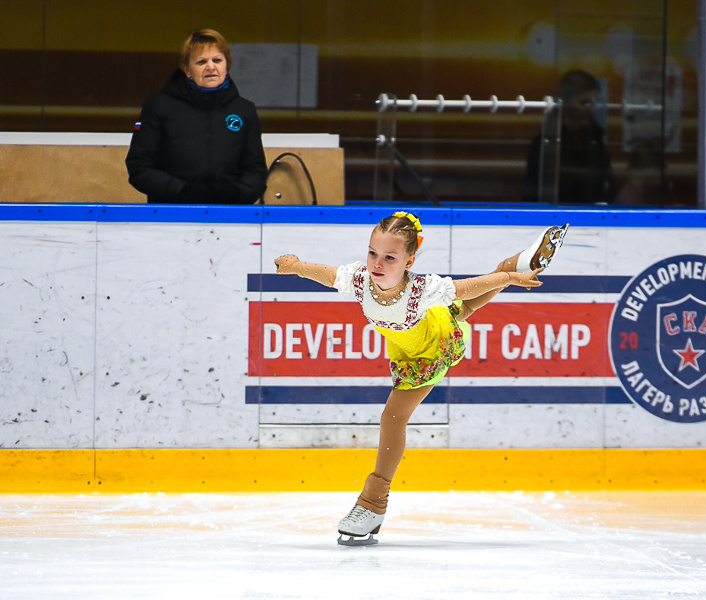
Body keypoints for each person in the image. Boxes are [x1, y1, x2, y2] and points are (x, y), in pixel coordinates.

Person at [274, 212, 569, 544]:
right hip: (415, 338)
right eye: (372, 253)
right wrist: (296, 266)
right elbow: (329, 275)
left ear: (409, 261)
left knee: (394, 416)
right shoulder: (359, 280)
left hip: (430, 349)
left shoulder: (423, 288)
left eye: (389, 257)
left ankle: (373, 502)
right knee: (466, 308)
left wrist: (508, 280)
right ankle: (524, 261)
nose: (377, 263)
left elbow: (466, 287)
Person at [126, 29, 267, 204]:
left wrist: (236, 193)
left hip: (229, 213)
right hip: (172, 212)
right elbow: (139, 167)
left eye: (217, 60)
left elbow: (256, 170)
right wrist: (182, 191)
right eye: (201, 62)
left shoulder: (244, 110)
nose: (211, 67)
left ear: (227, 64)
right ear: (187, 69)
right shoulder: (159, 107)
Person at [522, 70, 616, 205]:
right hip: (558, 212)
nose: (591, 108)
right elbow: (536, 192)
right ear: (566, 103)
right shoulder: (548, 141)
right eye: (584, 103)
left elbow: (606, 182)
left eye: (593, 102)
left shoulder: (595, 137)